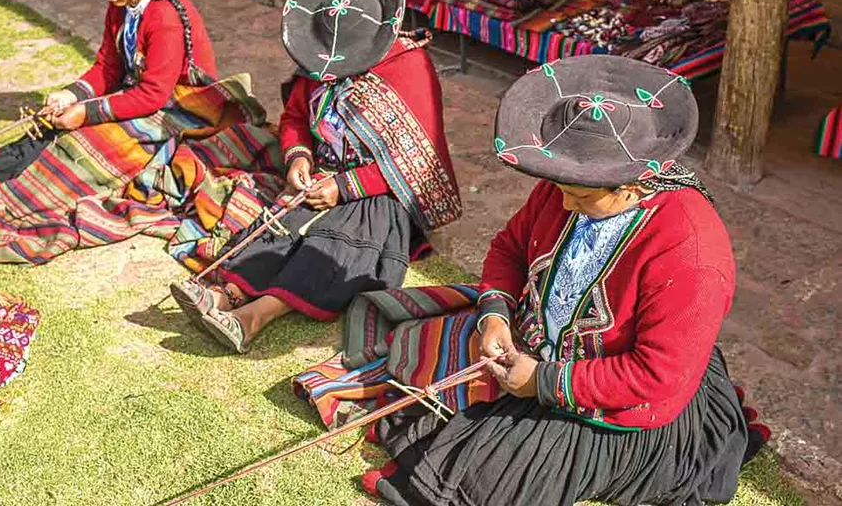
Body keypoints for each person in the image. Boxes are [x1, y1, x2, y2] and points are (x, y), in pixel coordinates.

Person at [293, 55, 770, 505]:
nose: (563, 204)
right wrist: (496, 317)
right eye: (562, 189)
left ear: (629, 187)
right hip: (547, 345)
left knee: (479, 473)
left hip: (632, 400)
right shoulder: (572, 186)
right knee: (425, 373)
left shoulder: (692, 254)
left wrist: (542, 380)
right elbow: (510, 248)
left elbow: (654, 376)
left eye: (578, 196)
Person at [169, 0, 462, 353]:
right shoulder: (321, 60)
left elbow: (417, 164)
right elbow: (294, 117)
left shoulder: (409, 68)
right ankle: (227, 294)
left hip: (383, 191)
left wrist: (345, 187)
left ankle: (252, 319)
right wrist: (299, 157)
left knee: (334, 241)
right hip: (322, 174)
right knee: (280, 224)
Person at [0, 0, 242, 264]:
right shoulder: (121, 8)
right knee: (54, 121)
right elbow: (107, 68)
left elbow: (155, 94)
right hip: (144, 96)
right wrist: (70, 95)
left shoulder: (165, 16)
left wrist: (85, 113)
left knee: (81, 140)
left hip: (184, 108)